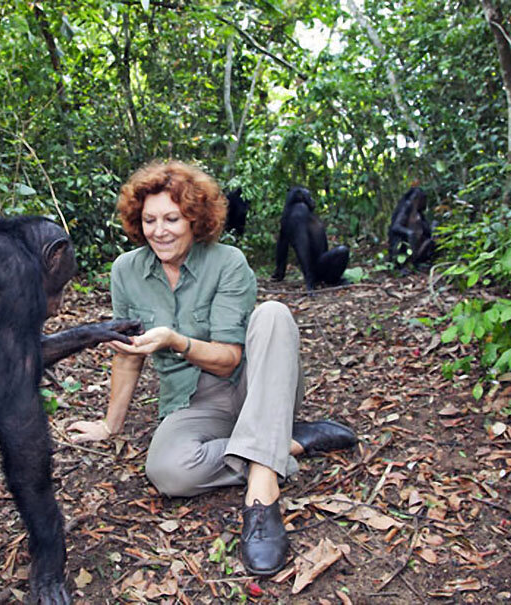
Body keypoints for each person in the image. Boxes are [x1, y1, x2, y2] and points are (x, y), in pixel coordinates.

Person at [67, 161, 356, 575]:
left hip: (253, 388)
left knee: (273, 314)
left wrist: (176, 341)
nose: (160, 231)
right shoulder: (126, 271)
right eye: (150, 220)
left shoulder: (228, 262)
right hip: (191, 402)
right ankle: (285, 444)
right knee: (167, 471)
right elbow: (128, 352)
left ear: (194, 219)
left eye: (172, 218)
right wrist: (110, 426)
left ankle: (261, 492)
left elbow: (229, 359)